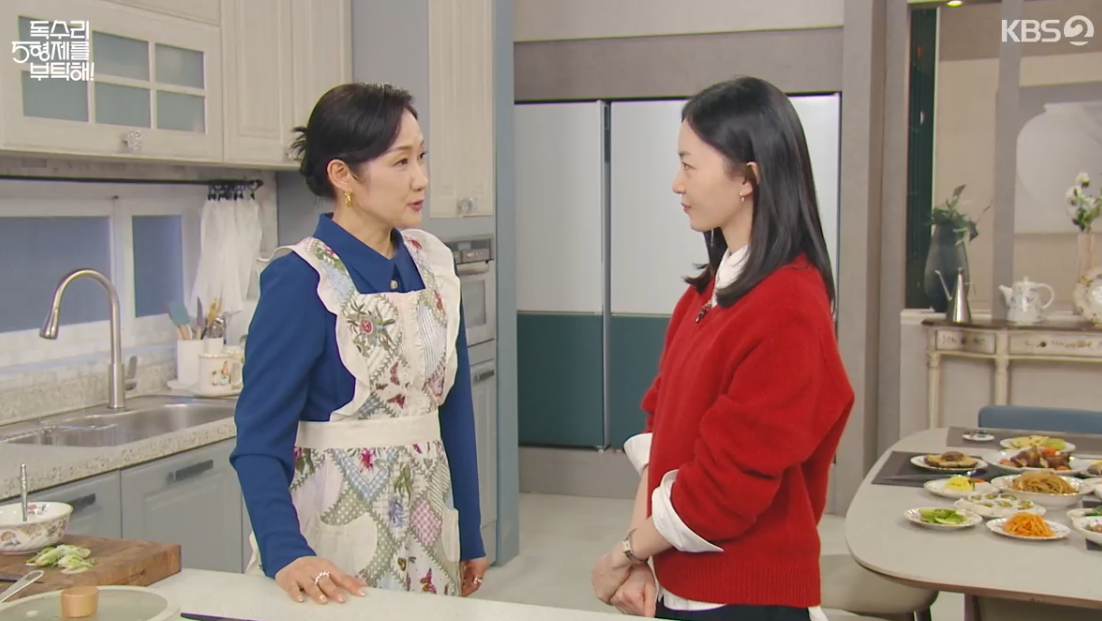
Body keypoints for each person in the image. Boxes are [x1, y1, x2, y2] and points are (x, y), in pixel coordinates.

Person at [590, 76, 855, 621]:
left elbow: (723, 489)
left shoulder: (789, 306)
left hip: (744, 595)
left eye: (689, 166)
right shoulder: (705, 294)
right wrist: (641, 559)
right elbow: (660, 435)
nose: (676, 183)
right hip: (683, 583)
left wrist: (625, 553)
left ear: (747, 178)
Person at [231, 82, 488, 605]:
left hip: (430, 533)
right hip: (333, 548)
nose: (421, 178)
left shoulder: (434, 267)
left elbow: (454, 412)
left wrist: (470, 532)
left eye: (421, 157)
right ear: (343, 175)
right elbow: (258, 440)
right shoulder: (301, 280)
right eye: (401, 162)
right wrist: (286, 553)